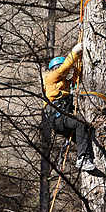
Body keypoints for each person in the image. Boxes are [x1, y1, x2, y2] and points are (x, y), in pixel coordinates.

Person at [43, 42, 96, 171]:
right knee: (80, 124)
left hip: (61, 116)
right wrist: (75, 51)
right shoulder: (50, 78)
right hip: (57, 116)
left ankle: (88, 158)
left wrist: (80, 61)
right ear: (55, 68)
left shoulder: (65, 83)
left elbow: (76, 78)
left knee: (84, 136)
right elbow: (65, 68)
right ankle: (83, 158)